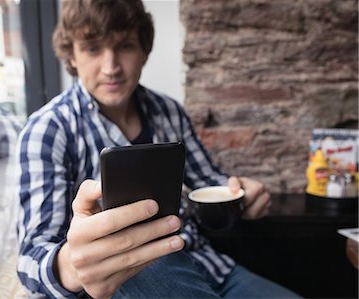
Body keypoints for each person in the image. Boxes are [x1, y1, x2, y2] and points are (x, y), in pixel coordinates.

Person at [15, 0, 301, 298]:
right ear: (71, 55)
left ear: (144, 50)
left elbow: (210, 186)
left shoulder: (168, 111)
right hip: (126, 276)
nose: (111, 67)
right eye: (92, 49)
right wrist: (74, 266)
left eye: (124, 46)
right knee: (143, 262)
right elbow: (30, 257)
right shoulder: (48, 129)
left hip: (206, 263)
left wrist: (242, 195)